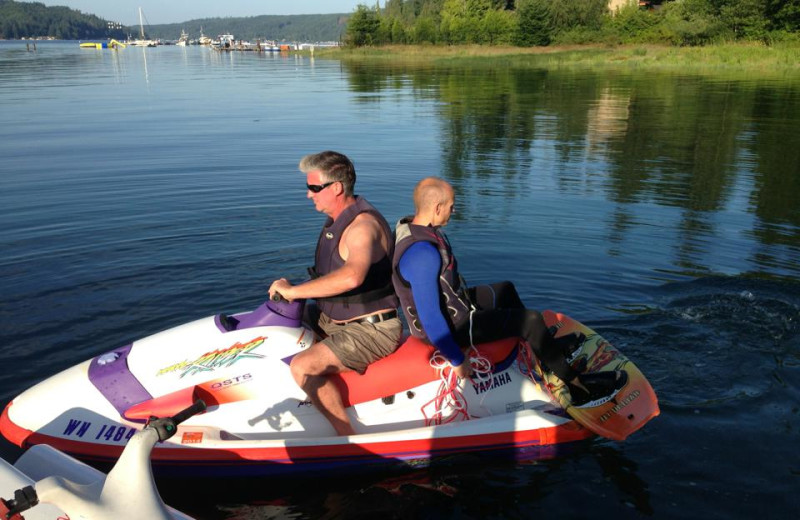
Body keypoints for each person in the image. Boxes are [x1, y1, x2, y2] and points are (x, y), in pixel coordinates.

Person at [391, 177, 625, 405]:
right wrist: (456, 358)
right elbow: (431, 317)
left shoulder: (415, 228)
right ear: (437, 207)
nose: (454, 210)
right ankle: (578, 387)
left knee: (505, 290)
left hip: (454, 308)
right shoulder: (422, 254)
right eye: (452, 206)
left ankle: (543, 349)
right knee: (530, 320)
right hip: (451, 328)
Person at [269, 151, 402, 436]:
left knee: (303, 366)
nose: (308, 195)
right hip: (334, 320)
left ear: (337, 188)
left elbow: (353, 275)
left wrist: (294, 291)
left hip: (372, 330)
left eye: (314, 188)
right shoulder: (338, 220)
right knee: (273, 330)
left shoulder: (362, 228)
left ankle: (346, 437)